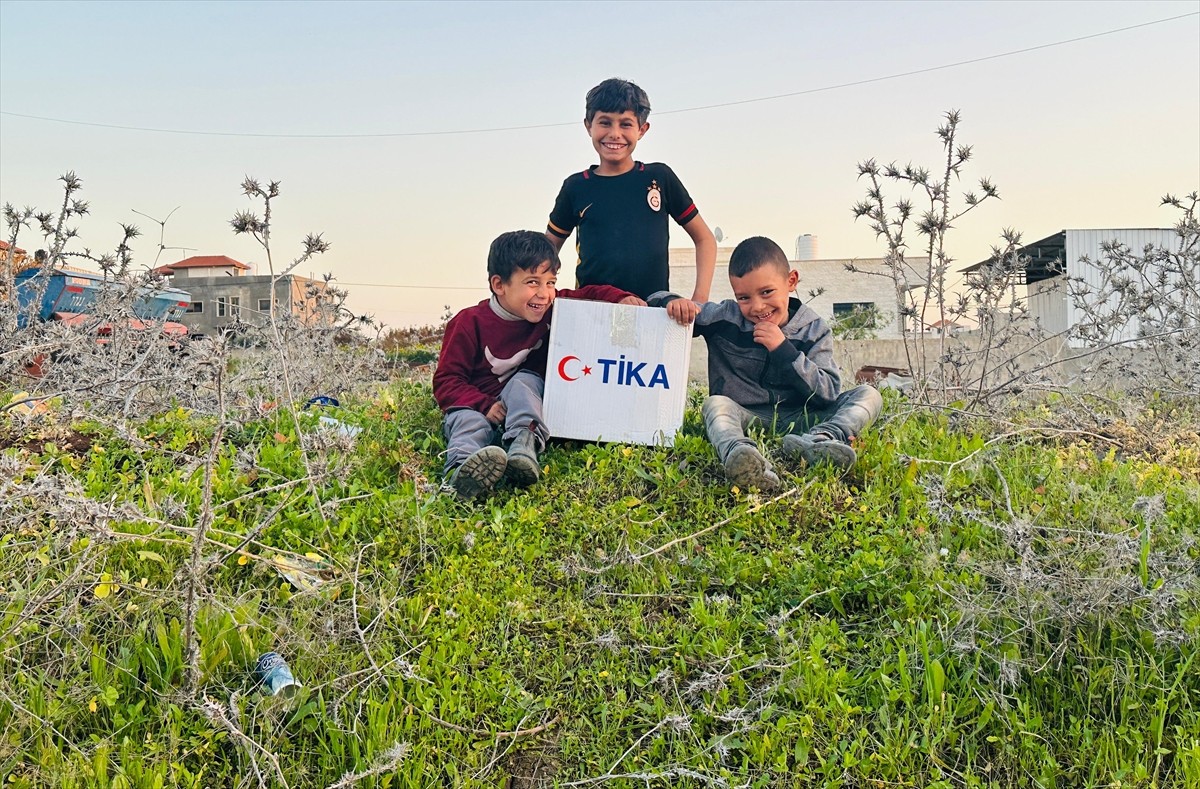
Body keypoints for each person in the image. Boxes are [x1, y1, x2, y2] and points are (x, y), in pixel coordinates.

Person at [650, 236, 883, 492]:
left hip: (804, 417)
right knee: (715, 404)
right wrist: (672, 301)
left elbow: (828, 392)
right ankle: (739, 454)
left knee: (868, 395)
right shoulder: (726, 318)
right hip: (747, 417)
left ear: (791, 281)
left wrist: (784, 350)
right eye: (744, 298)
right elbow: (660, 301)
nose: (757, 307)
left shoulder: (813, 329)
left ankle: (822, 440)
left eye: (767, 292)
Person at [433, 230, 641, 500]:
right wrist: (483, 405)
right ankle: (460, 474)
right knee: (468, 422)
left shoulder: (553, 308)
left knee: (525, 382)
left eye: (551, 282)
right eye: (533, 282)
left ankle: (523, 445)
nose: (544, 294)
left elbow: (589, 293)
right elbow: (447, 380)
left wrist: (621, 298)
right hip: (478, 403)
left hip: (522, 401)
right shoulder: (468, 322)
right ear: (499, 285)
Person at [545, 77, 717, 304]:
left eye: (625, 124)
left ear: (642, 129)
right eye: (605, 122)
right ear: (588, 125)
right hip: (594, 313)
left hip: (652, 313)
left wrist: (700, 300)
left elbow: (705, 239)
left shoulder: (659, 178)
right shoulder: (576, 187)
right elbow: (545, 253)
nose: (615, 133)